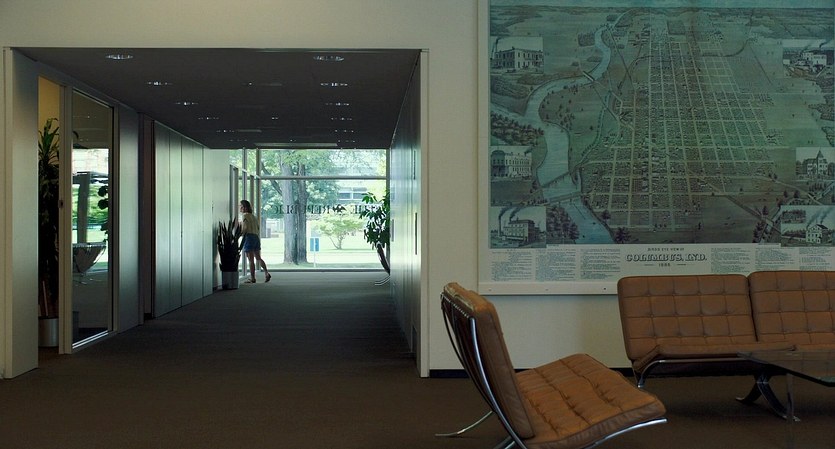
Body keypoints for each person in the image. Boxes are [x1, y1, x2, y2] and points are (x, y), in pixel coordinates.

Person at [239, 199, 271, 283]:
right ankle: (266, 273)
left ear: (244, 207)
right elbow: (258, 227)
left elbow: (245, 228)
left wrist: (240, 234)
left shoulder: (244, 216)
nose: (240, 208)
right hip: (256, 237)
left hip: (249, 237)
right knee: (258, 257)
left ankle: (252, 278)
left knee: (251, 260)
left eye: (241, 206)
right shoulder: (254, 217)